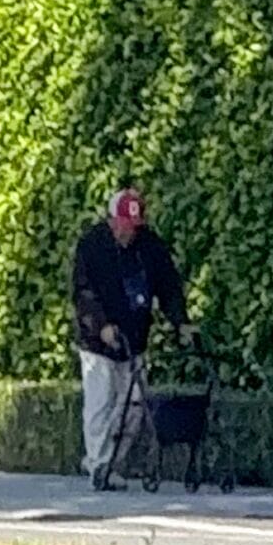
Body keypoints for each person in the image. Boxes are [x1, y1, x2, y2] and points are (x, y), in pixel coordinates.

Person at [73, 187, 192, 478]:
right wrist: (101, 325)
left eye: (134, 226)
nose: (129, 232)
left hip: (134, 339)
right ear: (111, 221)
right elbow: (83, 293)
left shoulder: (150, 246)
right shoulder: (92, 246)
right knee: (100, 404)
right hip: (98, 343)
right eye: (124, 225)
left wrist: (180, 322)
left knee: (135, 406)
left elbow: (168, 286)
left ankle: (112, 462)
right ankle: (99, 464)